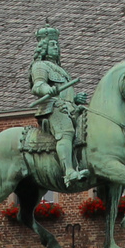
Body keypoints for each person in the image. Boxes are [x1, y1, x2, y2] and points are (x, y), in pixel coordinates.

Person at [30, 27, 90, 187]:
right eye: (52, 44)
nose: (56, 47)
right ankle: (69, 172)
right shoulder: (40, 66)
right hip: (52, 108)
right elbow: (37, 86)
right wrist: (47, 89)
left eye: (57, 44)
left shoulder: (61, 70)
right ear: (44, 47)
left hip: (69, 108)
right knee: (66, 132)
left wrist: (75, 99)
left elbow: (66, 94)